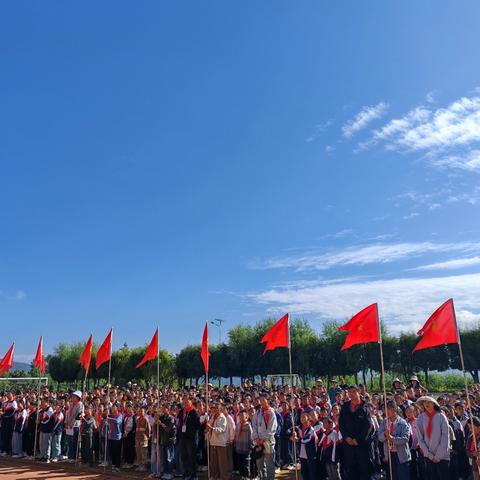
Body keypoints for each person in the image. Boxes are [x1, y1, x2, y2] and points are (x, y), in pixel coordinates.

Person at [338, 385, 374, 480]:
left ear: (359, 392)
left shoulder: (365, 407)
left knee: (364, 470)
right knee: (351, 470)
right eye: (350, 392)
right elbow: (341, 424)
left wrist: (357, 439)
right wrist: (346, 437)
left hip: (361, 445)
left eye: (354, 392)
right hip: (348, 445)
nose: (351, 394)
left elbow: (368, 426)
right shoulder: (345, 406)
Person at [416, 396, 450, 480]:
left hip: (443, 456)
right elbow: (420, 438)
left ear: (434, 404)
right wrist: (429, 455)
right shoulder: (420, 418)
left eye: (429, 402)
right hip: (428, 456)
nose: (426, 404)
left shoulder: (441, 417)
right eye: (424, 402)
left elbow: (445, 437)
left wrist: (438, 456)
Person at [378, 400, 411, 480]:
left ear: (394, 409)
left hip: (401, 455)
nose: (386, 411)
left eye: (388, 409)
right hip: (389, 454)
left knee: (402, 476)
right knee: (392, 476)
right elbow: (380, 438)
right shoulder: (384, 423)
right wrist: (385, 435)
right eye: (385, 409)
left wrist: (392, 438)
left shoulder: (403, 423)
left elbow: (405, 439)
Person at [252, 394, 277, 480]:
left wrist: (263, 438)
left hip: (268, 441)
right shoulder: (258, 412)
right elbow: (254, 425)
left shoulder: (271, 412)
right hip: (258, 441)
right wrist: (256, 438)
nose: (261, 402)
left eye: (263, 400)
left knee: (269, 462)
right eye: (260, 400)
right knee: (259, 461)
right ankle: (262, 478)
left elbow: (272, 428)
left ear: (268, 400)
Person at [177, 395, 200, 480]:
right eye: (184, 400)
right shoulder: (182, 411)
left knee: (191, 457)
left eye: (187, 400)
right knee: (184, 457)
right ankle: (185, 473)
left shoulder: (194, 412)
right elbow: (179, 421)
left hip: (191, 438)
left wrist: (191, 430)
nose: (185, 402)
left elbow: (198, 425)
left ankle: (193, 475)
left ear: (191, 401)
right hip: (182, 438)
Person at [206, 402, 229, 480]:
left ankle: (224, 477)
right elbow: (209, 425)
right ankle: (214, 476)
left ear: (220, 409)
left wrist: (212, 428)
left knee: (222, 462)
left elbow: (221, 430)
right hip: (213, 441)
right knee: (214, 461)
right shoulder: (213, 417)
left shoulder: (222, 418)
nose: (215, 410)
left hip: (220, 442)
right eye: (214, 408)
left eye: (216, 408)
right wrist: (208, 429)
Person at [293, 412, 317, 480]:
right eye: (301, 417)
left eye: (304, 417)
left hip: (310, 455)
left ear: (308, 418)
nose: (302, 418)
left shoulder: (311, 430)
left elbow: (306, 439)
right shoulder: (298, 427)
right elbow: (289, 430)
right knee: (304, 472)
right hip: (302, 454)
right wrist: (292, 435)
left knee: (312, 473)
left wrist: (297, 439)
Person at [64, 391, 83, 462]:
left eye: (74, 396)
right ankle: (70, 456)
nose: (72, 397)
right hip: (68, 425)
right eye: (72, 396)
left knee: (74, 442)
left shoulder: (80, 405)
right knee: (69, 442)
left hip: (75, 426)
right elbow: (67, 414)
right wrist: (66, 422)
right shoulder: (71, 404)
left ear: (78, 398)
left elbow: (76, 415)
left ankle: (74, 457)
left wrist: (71, 423)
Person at [234, 409, 253, 480]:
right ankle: (242, 475)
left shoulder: (248, 426)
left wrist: (250, 447)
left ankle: (247, 476)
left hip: (246, 448)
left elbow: (251, 437)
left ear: (246, 417)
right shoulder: (238, 425)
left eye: (243, 416)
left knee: (246, 464)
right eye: (240, 416)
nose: (241, 417)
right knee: (240, 463)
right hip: (239, 448)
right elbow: (236, 436)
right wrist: (235, 444)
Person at [107, 404, 124, 472]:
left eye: (114, 408)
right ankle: (113, 465)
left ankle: (117, 466)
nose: (113, 409)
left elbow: (116, 421)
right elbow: (105, 417)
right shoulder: (111, 415)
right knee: (112, 452)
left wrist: (109, 418)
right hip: (111, 436)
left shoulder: (120, 415)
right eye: (112, 408)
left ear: (117, 408)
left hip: (117, 437)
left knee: (117, 452)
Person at [135, 406, 151, 472]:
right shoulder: (137, 419)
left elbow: (148, 429)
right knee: (138, 452)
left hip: (143, 439)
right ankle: (139, 465)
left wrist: (147, 437)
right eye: (139, 411)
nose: (140, 412)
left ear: (144, 412)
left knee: (143, 453)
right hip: (137, 438)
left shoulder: (146, 419)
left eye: (142, 411)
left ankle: (144, 466)